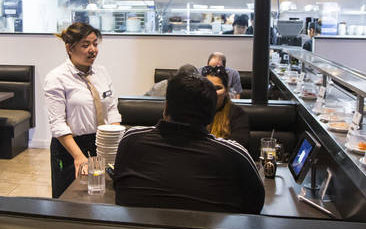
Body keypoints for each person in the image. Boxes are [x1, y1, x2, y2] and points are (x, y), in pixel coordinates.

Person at [113, 71, 264, 214]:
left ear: (166, 107)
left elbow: (119, 188)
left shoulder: (131, 140)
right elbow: (255, 206)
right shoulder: (234, 155)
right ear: (210, 117)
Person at [44, 22, 121, 198]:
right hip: (70, 147)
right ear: (69, 48)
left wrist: (113, 141)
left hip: (101, 143)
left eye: (95, 44)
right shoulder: (56, 78)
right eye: (85, 45)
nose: (92, 50)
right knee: (69, 197)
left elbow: (111, 109)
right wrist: (78, 156)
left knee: (103, 195)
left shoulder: (102, 72)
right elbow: (57, 123)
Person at [201, 65, 251, 152]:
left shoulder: (237, 114)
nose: (213, 92)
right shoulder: (194, 111)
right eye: (208, 87)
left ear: (227, 90)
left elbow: (239, 146)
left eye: (218, 88)